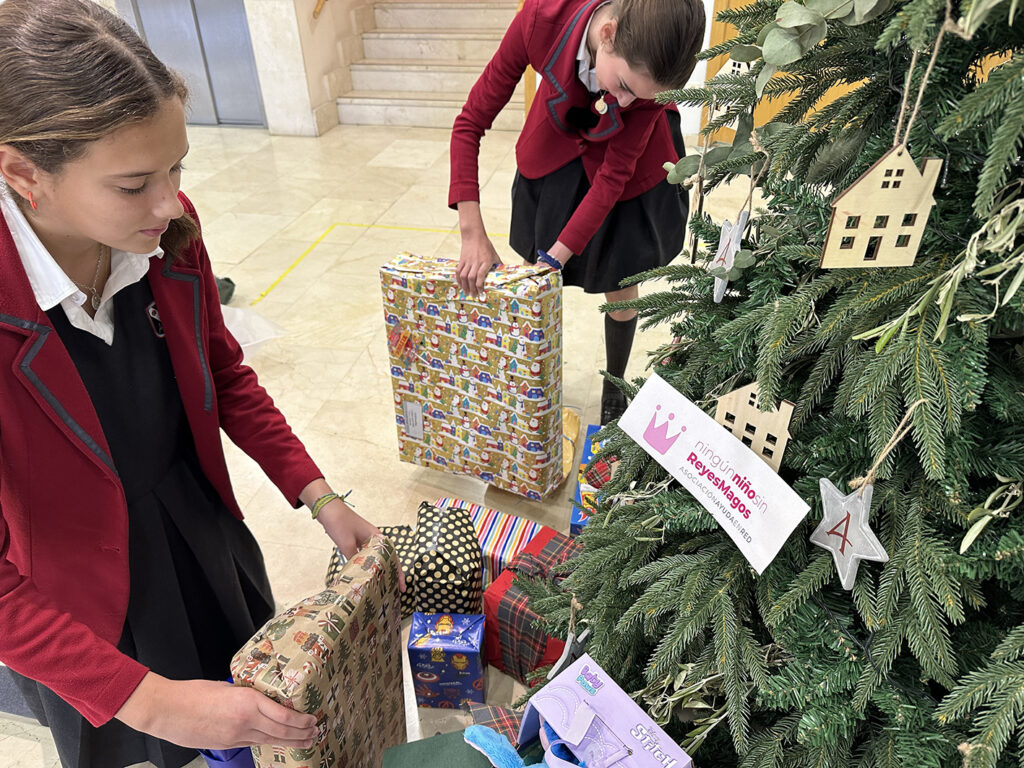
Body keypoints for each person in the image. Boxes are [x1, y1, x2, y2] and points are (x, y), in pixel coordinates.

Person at [0, 1, 398, 766]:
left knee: (240, 712)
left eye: (177, 167)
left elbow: (222, 370)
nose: (169, 202)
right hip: (78, 604)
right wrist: (153, 701)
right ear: (24, 173)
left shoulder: (167, 236)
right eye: (133, 182)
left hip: (197, 531)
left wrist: (316, 491)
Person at [449, 0, 705, 424]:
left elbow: (613, 177)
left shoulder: (645, 89)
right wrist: (471, 232)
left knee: (620, 280)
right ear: (607, 34)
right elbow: (470, 122)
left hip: (630, 171)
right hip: (556, 145)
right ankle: (532, 382)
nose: (623, 100)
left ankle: (614, 386)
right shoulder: (539, 19)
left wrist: (559, 257)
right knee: (535, 281)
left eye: (637, 95)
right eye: (622, 83)